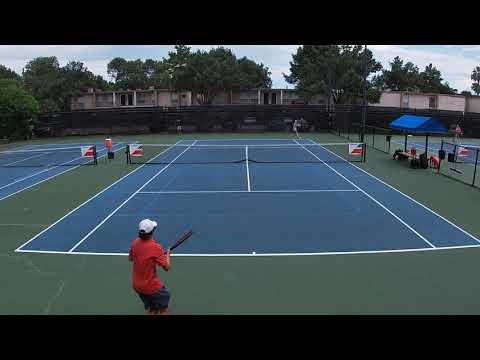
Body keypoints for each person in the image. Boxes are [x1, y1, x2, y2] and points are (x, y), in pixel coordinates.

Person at [129, 219, 171, 315]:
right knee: (163, 309)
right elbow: (167, 267)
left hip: (137, 286)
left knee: (151, 309)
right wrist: (167, 255)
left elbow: (131, 258)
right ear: (152, 232)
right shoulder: (156, 247)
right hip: (151, 286)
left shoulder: (134, 243)